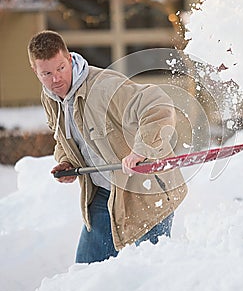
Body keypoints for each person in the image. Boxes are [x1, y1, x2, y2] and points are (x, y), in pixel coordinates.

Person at [28, 30, 187, 264]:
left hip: (145, 191)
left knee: (152, 273)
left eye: (61, 68)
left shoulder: (104, 87)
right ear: (35, 71)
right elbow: (64, 136)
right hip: (104, 194)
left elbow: (158, 105)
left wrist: (140, 150)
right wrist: (66, 160)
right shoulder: (51, 98)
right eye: (47, 73)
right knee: (85, 272)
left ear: (70, 59)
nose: (56, 79)